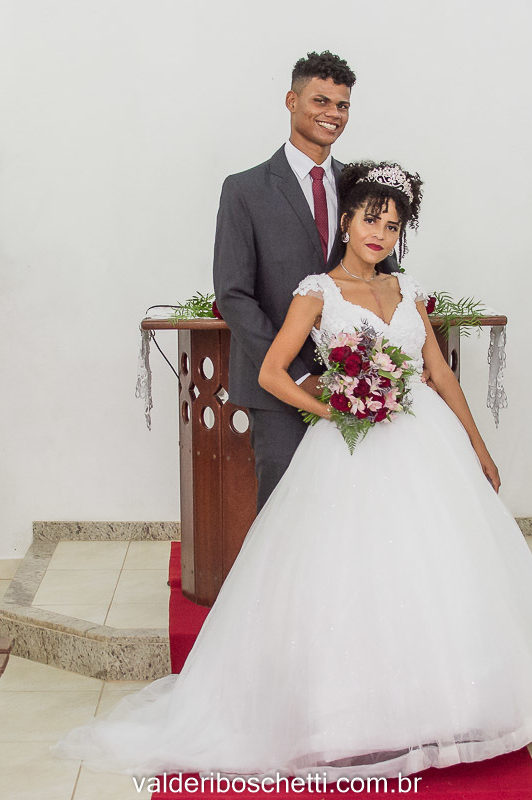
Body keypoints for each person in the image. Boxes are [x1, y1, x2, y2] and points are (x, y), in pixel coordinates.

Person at [53, 162, 532, 779]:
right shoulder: (317, 290)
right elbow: (270, 373)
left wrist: (479, 447)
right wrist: (334, 409)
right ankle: (356, 714)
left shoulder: (407, 290)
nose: (381, 234)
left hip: (425, 438)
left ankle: (449, 709)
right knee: (354, 572)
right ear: (346, 219)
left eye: (393, 226)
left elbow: (439, 374)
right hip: (352, 448)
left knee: (439, 564)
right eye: (372, 218)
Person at [213, 50, 399, 512]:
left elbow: (378, 268)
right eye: (321, 101)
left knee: (355, 511)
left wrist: (374, 368)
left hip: (356, 382)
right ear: (292, 100)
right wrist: (298, 372)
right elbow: (233, 294)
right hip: (279, 388)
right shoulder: (244, 189)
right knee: (285, 513)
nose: (332, 114)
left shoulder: (360, 187)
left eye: (342, 106)